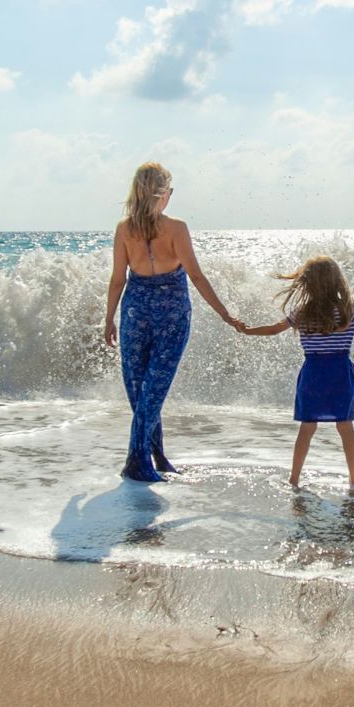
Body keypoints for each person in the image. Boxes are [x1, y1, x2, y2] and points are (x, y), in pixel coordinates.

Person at [102, 162, 243, 482]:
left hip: (135, 312)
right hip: (172, 315)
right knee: (151, 391)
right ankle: (138, 461)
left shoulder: (125, 229)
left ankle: (155, 456)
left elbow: (117, 280)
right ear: (164, 194)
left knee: (143, 391)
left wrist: (109, 318)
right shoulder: (176, 228)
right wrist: (224, 313)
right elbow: (195, 275)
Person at [235, 255, 354, 490]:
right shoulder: (350, 310)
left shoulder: (301, 312)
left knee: (307, 427)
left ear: (308, 284)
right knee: (345, 426)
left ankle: (294, 479)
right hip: (340, 373)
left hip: (313, 373)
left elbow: (274, 330)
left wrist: (248, 331)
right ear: (337, 281)